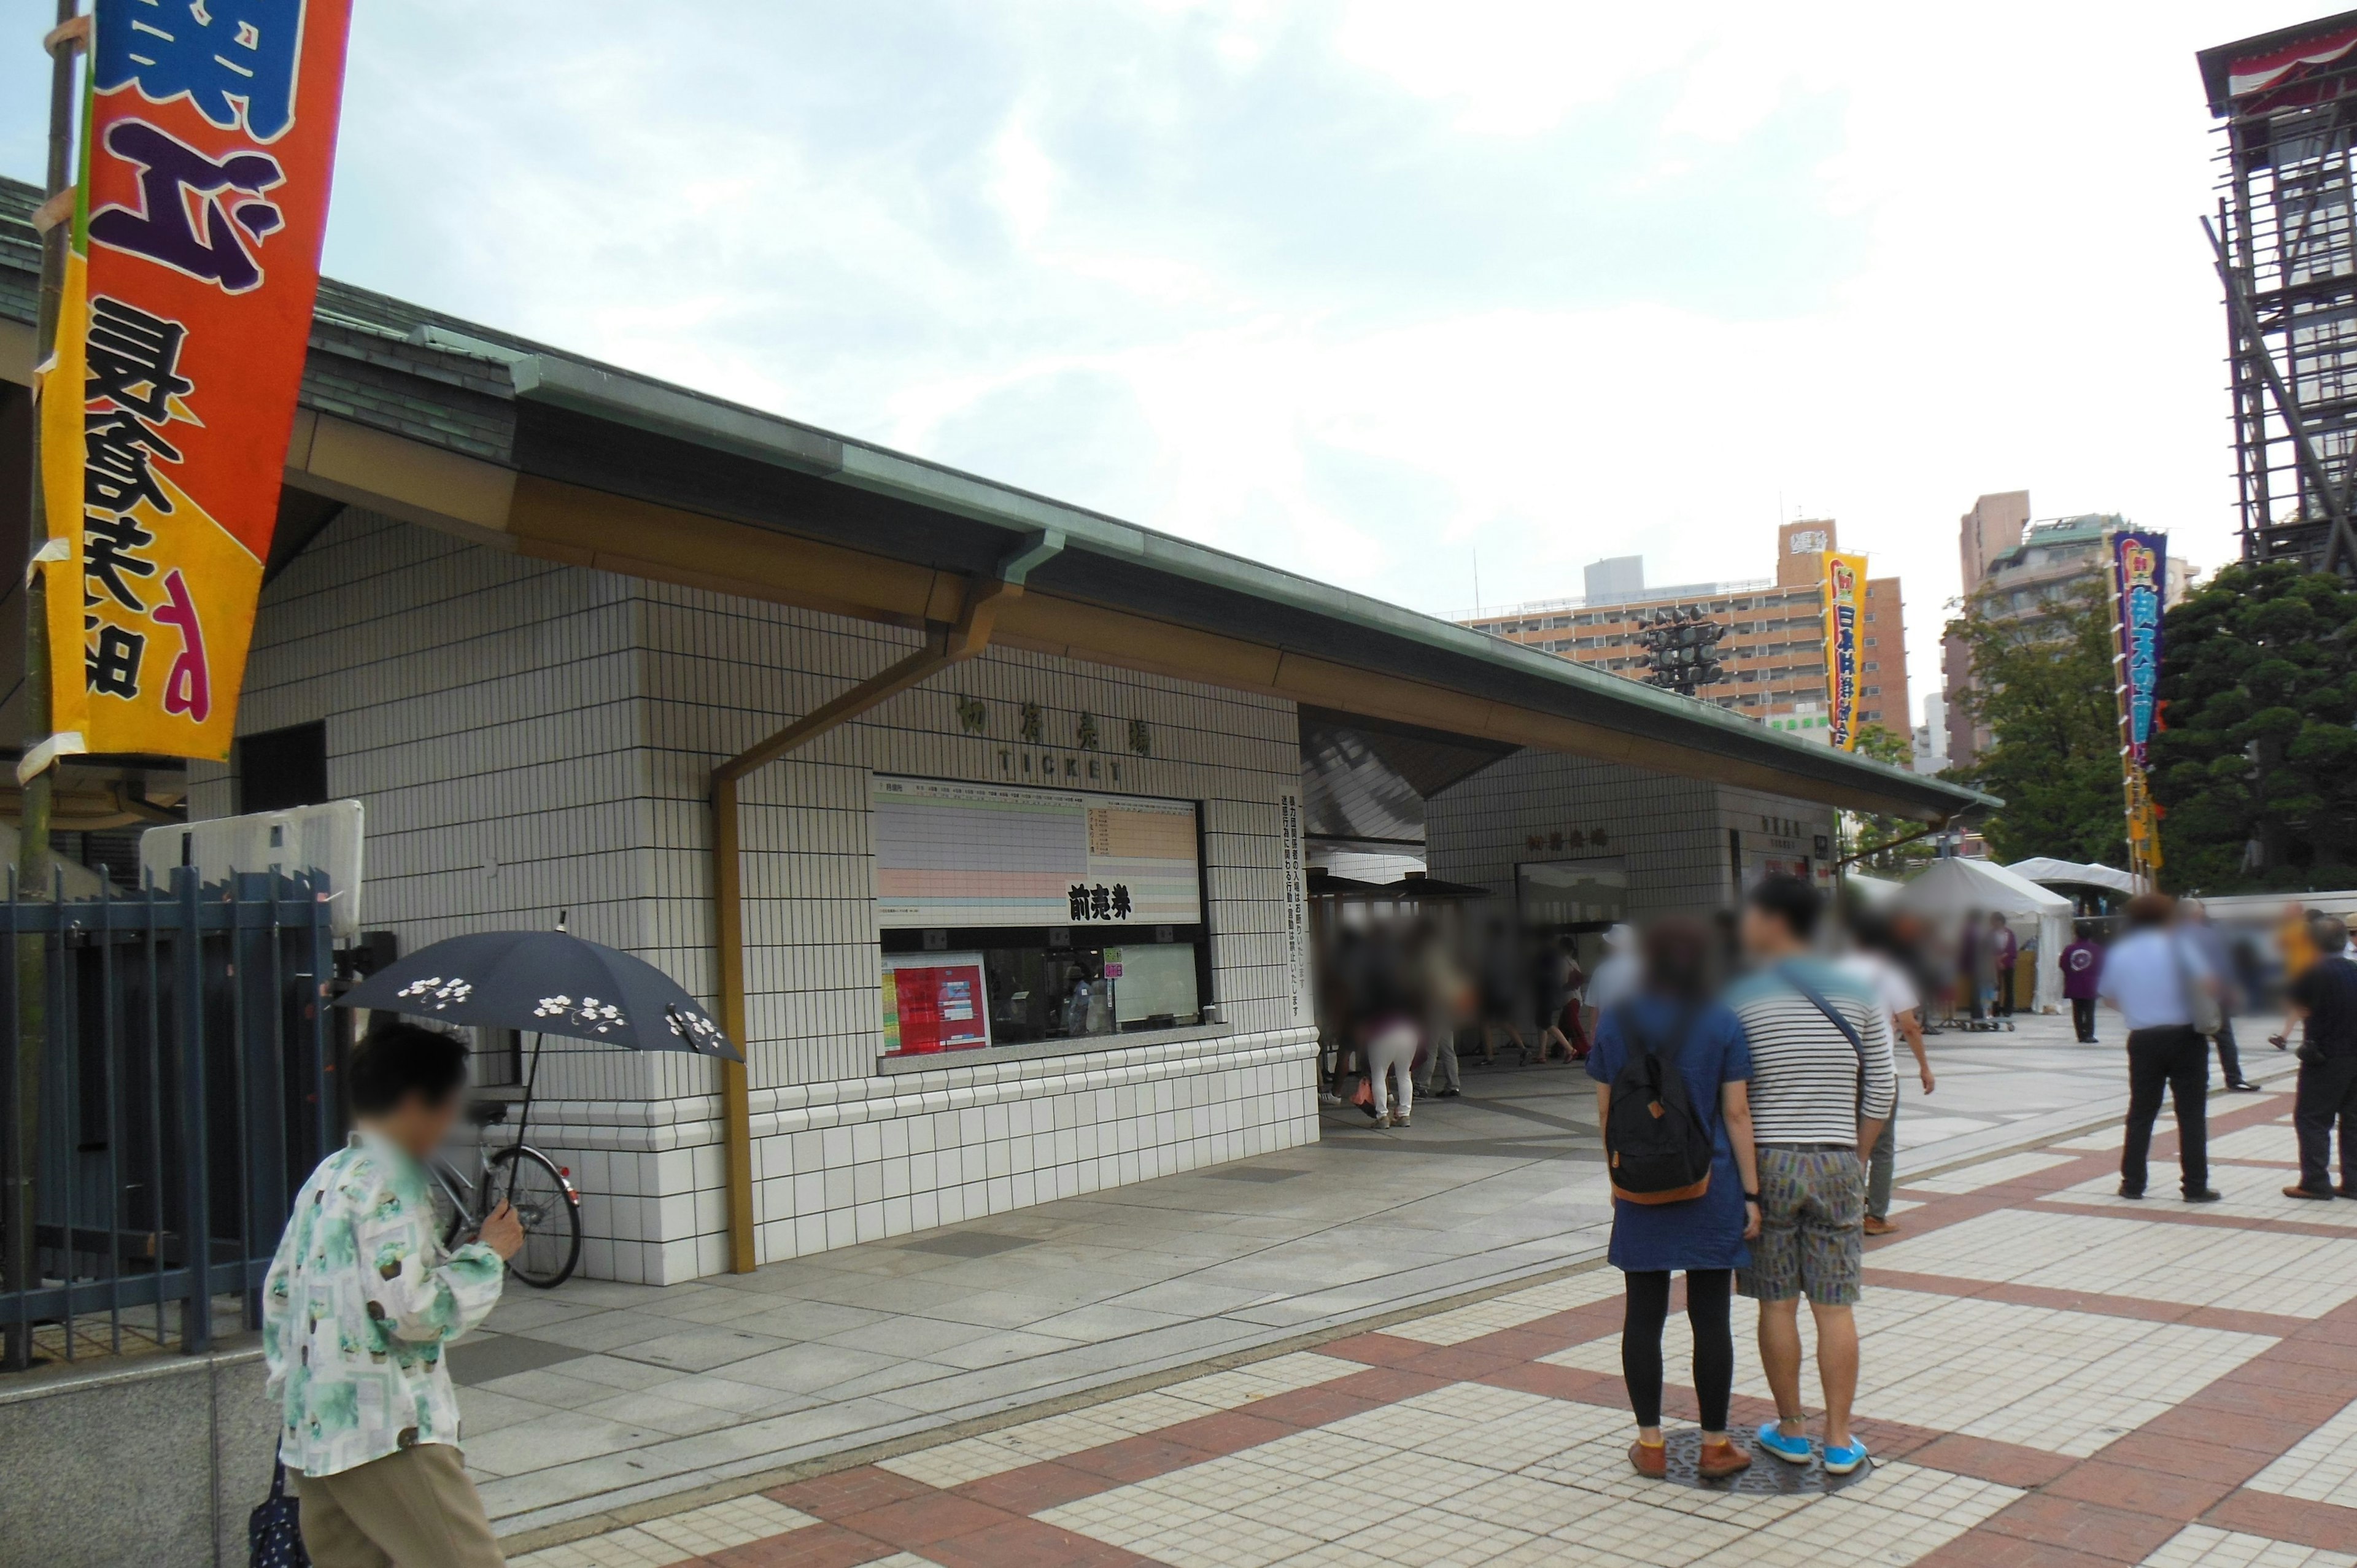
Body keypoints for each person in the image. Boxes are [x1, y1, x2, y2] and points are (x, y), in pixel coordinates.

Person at [265, 1022, 523, 1568]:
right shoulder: (396, 1182)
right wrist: (488, 1255)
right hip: (389, 1428)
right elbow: (413, 1309)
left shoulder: (327, 1175)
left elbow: (281, 1292)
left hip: (315, 1432)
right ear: (414, 1105)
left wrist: (297, 1387)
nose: (451, 1122)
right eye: (448, 1106)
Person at [1728, 875, 1895, 1478]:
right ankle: (1841, 1439)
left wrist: (1744, 1180)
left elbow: (1735, 1097)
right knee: (1834, 1305)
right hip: (1836, 1158)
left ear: (1776, 920)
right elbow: (1882, 1084)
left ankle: (1792, 1430)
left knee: (1776, 1303)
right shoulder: (1859, 988)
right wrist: (1856, 1156)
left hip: (1767, 1161)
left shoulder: (1741, 993)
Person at [1587, 917, 1760, 1481]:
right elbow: (1736, 1112)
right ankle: (1714, 1446)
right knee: (1712, 1317)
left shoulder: (1616, 1020)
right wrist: (1752, 1194)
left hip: (1640, 1183)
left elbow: (1606, 1113)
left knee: (1644, 1316)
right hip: (1710, 1185)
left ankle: (1652, 1444)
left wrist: (1619, 1178)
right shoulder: (1722, 1019)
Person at [2097, 892, 2223, 1203]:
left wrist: (2138, 1007)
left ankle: (2133, 1183)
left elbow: (2108, 997)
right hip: (2185, 1037)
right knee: (2191, 1115)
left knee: (2141, 1113)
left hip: (2143, 1039)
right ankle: (2195, 1186)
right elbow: (2208, 986)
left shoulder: (2121, 952)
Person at [1841, 913, 1934, 1237]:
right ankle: (1875, 1215)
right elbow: (1909, 1025)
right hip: (1880, 1069)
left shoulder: (1834, 972)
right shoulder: (1889, 974)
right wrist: (1924, 1066)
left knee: (1845, 1141)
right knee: (1881, 1146)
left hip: (1843, 1070)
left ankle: (1846, 1210)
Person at [2285, 914, 2357, 1200]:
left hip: (2325, 1056)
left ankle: (2315, 1181)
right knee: (2353, 1119)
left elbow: (2297, 1006)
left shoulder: (2312, 971)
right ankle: (2353, 1181)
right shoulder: (2354, 969)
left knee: (2312, 1119)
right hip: (2355, 1053)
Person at [2182, 900, 2259, 1091]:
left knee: (2192, 1040)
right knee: (2224, 1037)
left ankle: (2198, 1079)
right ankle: (2234, 1078)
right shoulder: (2210, 935)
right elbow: (2223, 966)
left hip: (2184, 997)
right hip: (2213, 994)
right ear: (2197, 913)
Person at [1475, 921, 1532, 1066]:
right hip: (1507, 992)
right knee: (1502, 1021)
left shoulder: (1491, 950)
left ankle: (1490, 1056)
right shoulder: (1509, 950)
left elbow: (1488, 972)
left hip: (1494, 992)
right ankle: (1522, 1049)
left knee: (1486, 1023)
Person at [2271, 904, 2323, 1052]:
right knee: (2300, 1006)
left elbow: (2279, 944)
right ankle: (2286, 1038)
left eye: (2288, 910)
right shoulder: (2310, 928)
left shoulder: (2298, 927)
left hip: (2302, 972)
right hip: (2307, 971)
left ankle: (2291, 1038)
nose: (2284, 912)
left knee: (2302, 1006)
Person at [1584, 923, 1641, 1037]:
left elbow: (1594, 1007)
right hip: (1639, 1032)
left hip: (1608, 1032)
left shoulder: (1601, 971)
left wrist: (1592, 1031)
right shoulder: (1643, 968)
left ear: (1613, 945)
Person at [2062, 922, 2105, 1044]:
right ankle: (2090, 1034)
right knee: (2090, 1010)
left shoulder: (2070, 949)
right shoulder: (2097, 949)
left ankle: (2081, 1034)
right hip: (2091, 984)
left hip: (2074, 983)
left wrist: (2071, 975)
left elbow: (2063, 964)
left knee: (2077, 1010)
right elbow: (2102, 965)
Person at [1989, 913, 2018, 1019]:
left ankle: (2008, 1010)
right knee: (1996, 988)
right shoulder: (1991, 934)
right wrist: (1997, 959)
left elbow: (2012, 949)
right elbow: (1989, 948)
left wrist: (2002, 958)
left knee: (2009, 987)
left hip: (2008, 963)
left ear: (2000, 922)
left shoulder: (2010, 934)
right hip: (1994, 964)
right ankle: (1995, 1008)